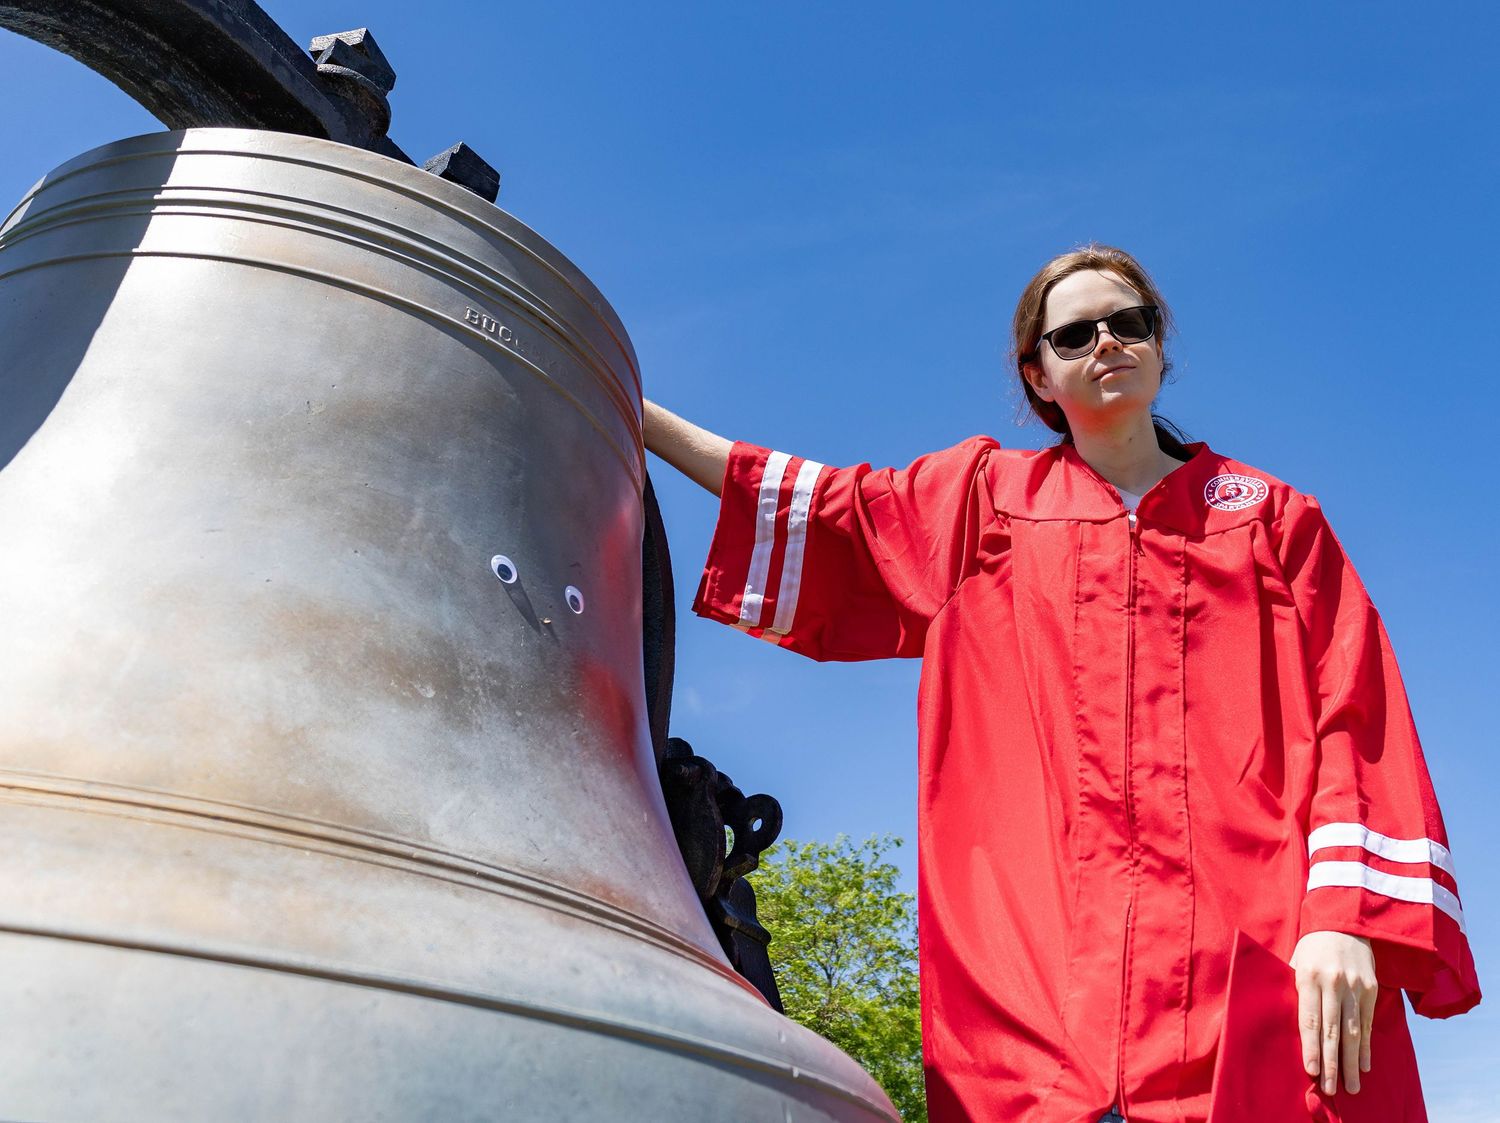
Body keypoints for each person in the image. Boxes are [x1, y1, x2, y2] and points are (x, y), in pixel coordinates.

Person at [643, 244, 1480, 1123]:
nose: (1108, 341)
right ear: (1038, 374)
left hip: (1257, 967)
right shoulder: (980, 504)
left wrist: (1342, 916)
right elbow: (815, 503)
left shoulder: (1272, 521)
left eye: (1131, 322)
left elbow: (1358, 714)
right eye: (1076, 332)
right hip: (1038, 989)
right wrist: (626, 408)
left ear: (1161, 346)